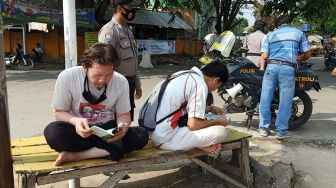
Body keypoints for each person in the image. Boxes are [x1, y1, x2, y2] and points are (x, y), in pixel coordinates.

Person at [44, 43, 148, 166]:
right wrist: (76, 121)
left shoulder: (121, 81)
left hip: (107, 132)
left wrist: (123, 126)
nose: (103, 80)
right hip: (81, 132)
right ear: (85, 67)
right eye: (97, 75)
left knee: (142, 135)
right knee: (53, 132)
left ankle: (76, 156)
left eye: (109, 75)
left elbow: (124, 114)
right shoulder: (67, 77)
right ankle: (111, 150)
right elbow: (59, 112)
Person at [147, 60, 231, 153]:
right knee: (220, 132)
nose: (215, 90)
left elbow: (178, 107)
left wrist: (209, 108)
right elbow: (193, 125)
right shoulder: (200, 85)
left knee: (204, 121)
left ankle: (197, 143)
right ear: (216, 80)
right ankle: (197, 145)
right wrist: (218, 121)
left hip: (153, 130)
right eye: (218, 86)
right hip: (165, 138)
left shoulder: (183, 74)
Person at [258, 15, 311, 139]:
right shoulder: (299, 33)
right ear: (290, 23)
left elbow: (264, 56)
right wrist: (299, 58)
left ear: (278, 24)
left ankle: (263, 128)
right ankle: (281, 131)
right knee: (285, 100)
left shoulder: (270, 35)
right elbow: (308, 54)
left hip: (271, 67)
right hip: (288, 68)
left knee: (265, 97)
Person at [98, 0, 143, 121]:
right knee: (116, 117)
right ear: (120, 8)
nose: (132, 9)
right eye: (130, 6)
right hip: (116, 84)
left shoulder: (127, 30)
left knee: (128, 115)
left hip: (130, 82)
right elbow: (104, 62)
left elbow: (133, 61)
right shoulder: (110, 31)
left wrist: (137, 84)